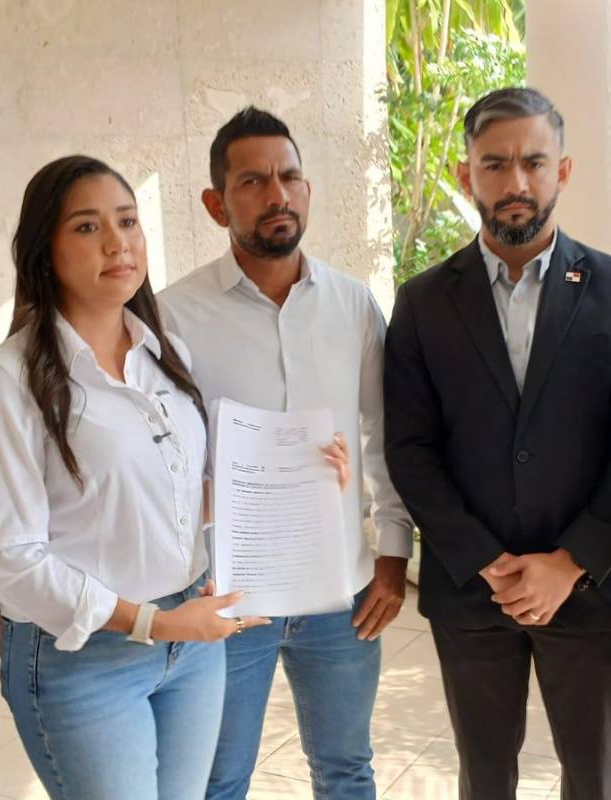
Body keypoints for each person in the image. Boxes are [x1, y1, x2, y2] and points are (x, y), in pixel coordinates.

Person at [0, 154, 349, 800]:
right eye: (87, 227)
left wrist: (299, 482)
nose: (118, 243)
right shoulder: (6, 381)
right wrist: (154, 624)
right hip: (85, 658)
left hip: (191, 640)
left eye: (128, 221)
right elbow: (9, 560)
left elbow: (175, 500)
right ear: (43, 250)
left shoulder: (164, 355)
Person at [384, 87, 611, 800]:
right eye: (495, 163)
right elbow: (410, 449)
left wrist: (569, 564)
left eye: (534, 162)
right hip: (471, 589)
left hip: (587, 588)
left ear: (562, 170)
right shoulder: (421, 303)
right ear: (465, 174)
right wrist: (486, 561)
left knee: (593, 780)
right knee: (483, 779)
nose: (516, 182)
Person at [158, 107, 415, 800]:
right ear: (216, 204)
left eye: (290, 176)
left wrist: (393, 555)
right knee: (219, 780)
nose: (277, 195)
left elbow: (383, 434)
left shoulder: (354, 305)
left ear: (307, 189)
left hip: (341, 595)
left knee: (346, 770)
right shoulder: (172, 316)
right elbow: (159, 463)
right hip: (227, 600)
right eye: (252, 181)